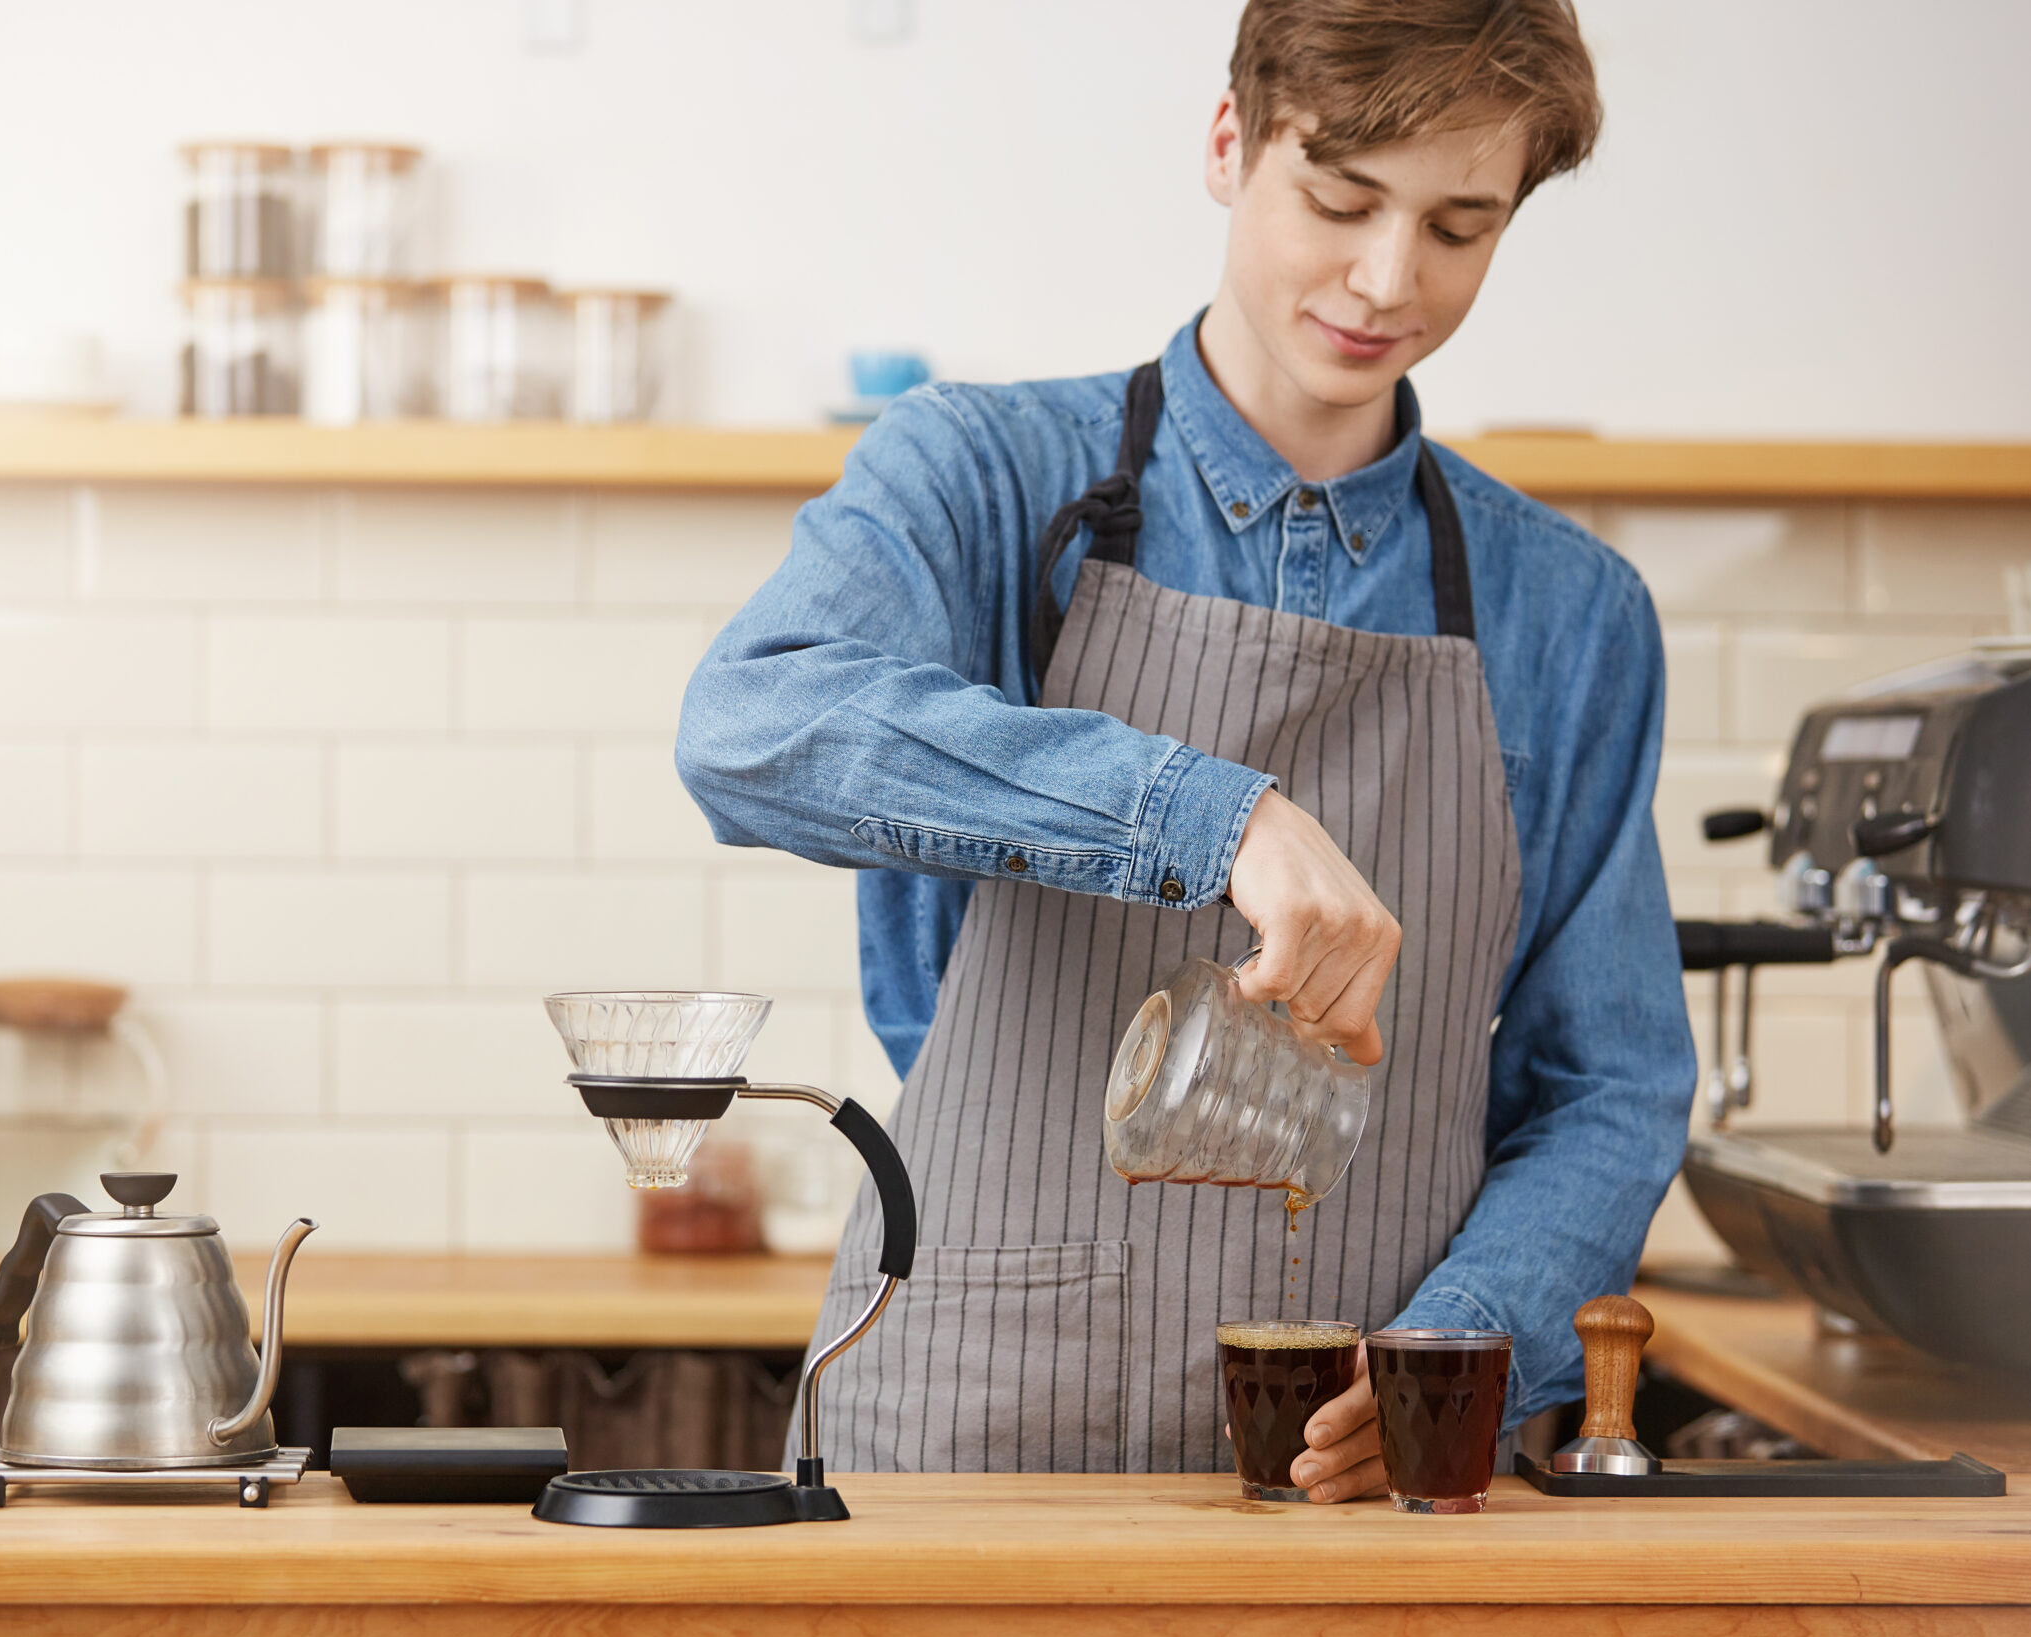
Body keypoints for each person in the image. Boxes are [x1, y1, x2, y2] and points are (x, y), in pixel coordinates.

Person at [675, 0, 1694, 1501]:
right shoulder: (980, 475)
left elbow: (1608, 1087)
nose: (1385, 280)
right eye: (1341, 201)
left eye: (1459, 228)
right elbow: (752, 725)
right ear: (1231, 144)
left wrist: (1457, 1343)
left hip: (1369, 1473)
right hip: (972, 1434)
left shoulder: (1572, 614)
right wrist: (1209, 815)